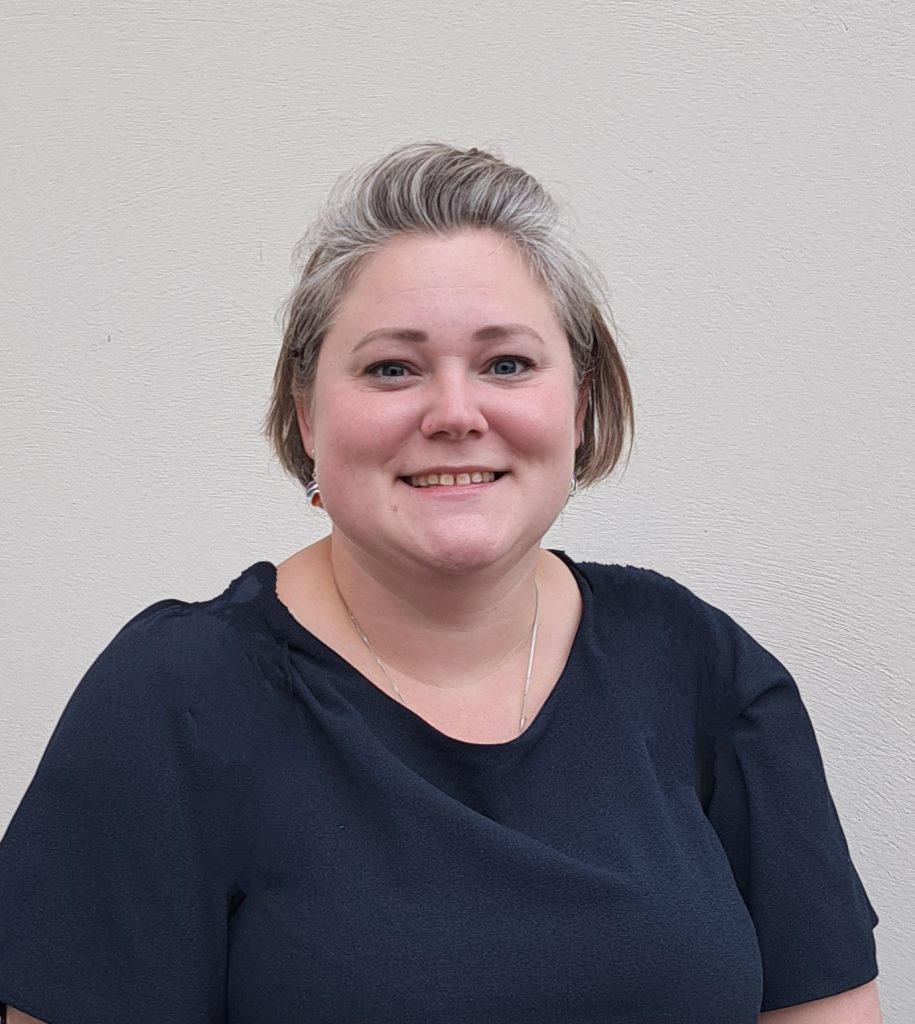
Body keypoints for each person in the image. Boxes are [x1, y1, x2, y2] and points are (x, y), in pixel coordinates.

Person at [0, 143, 881, 1024]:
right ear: (307, 413)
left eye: (506, 364)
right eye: (393, 367)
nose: (456, 414)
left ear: (577, 407)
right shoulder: (172, 699)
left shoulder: (701, 667)